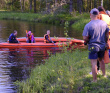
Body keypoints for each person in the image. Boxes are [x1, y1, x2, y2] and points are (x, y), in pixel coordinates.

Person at [82, 8, 109, 82]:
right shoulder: (104, 23)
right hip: (102, 46)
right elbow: (107, 35)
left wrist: (87, 42)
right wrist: (106, 42)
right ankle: (104, 75)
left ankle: (95, 80)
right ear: (98, 15)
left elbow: (85, 37)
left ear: (90, 15)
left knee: (94, 63)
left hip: (93, 46)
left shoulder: (88, 25)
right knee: (101, 60)